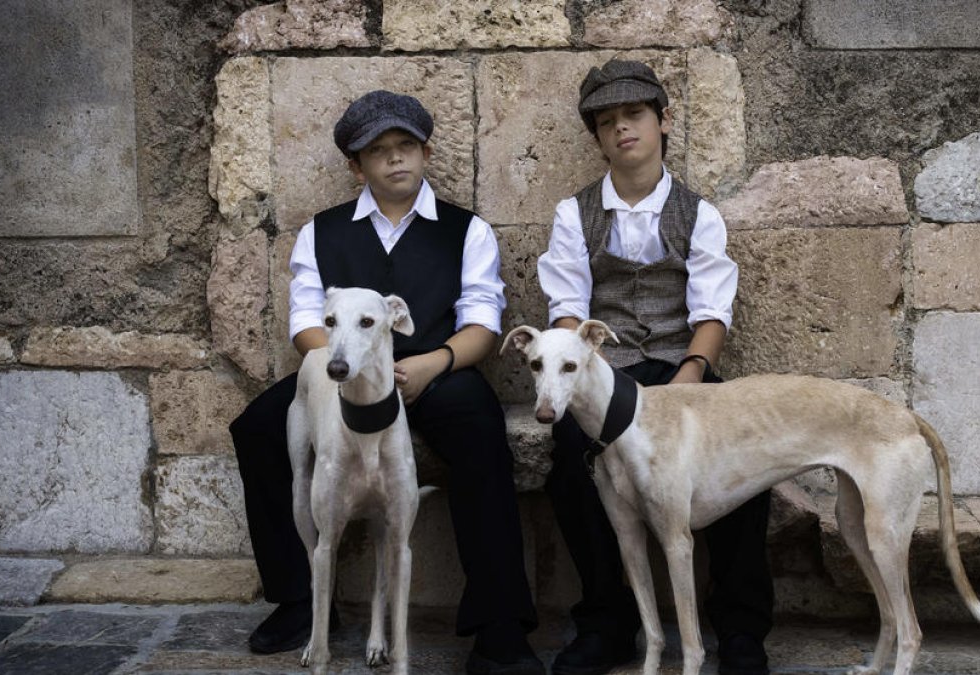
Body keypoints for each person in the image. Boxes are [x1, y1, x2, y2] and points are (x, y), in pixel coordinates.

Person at [229, 90, 544, 675]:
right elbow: (305, 323)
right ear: (357, 165)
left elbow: (481, 322)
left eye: (406, 147)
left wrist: (432, 364)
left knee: (480, 432)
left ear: (424, 152)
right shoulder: (321, 234)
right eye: (379, 151)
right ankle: (301, 601)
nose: (396, 160)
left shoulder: (465, 231)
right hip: (342, 376)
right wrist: (345, 372)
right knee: (257, 428)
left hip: (436, 373)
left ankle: (499, 625)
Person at [536, 59, 774, 675]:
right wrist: (577, 384)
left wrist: (691, 378)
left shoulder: (700, 214)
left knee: (741, 453)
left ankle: (742, 629)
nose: (623, 130)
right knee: (572, 459)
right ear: (598, 137)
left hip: (679, 368)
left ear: (663, 121)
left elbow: (712, 311)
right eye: (608, 122)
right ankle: (605, 623)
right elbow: (567, 313)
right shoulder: (574, 214)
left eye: (635, 115)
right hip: (605, 373)